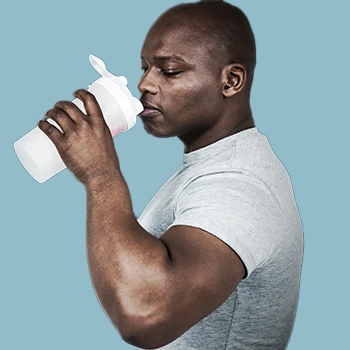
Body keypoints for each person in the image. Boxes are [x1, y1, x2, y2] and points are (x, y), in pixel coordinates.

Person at [38, 0, 304, 349]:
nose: (144, 83)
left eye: (170, 71)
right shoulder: (208, 166)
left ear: (231, 81)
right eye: (145, 68)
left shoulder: (241, 184)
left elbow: (143, 315)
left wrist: (100, 174)